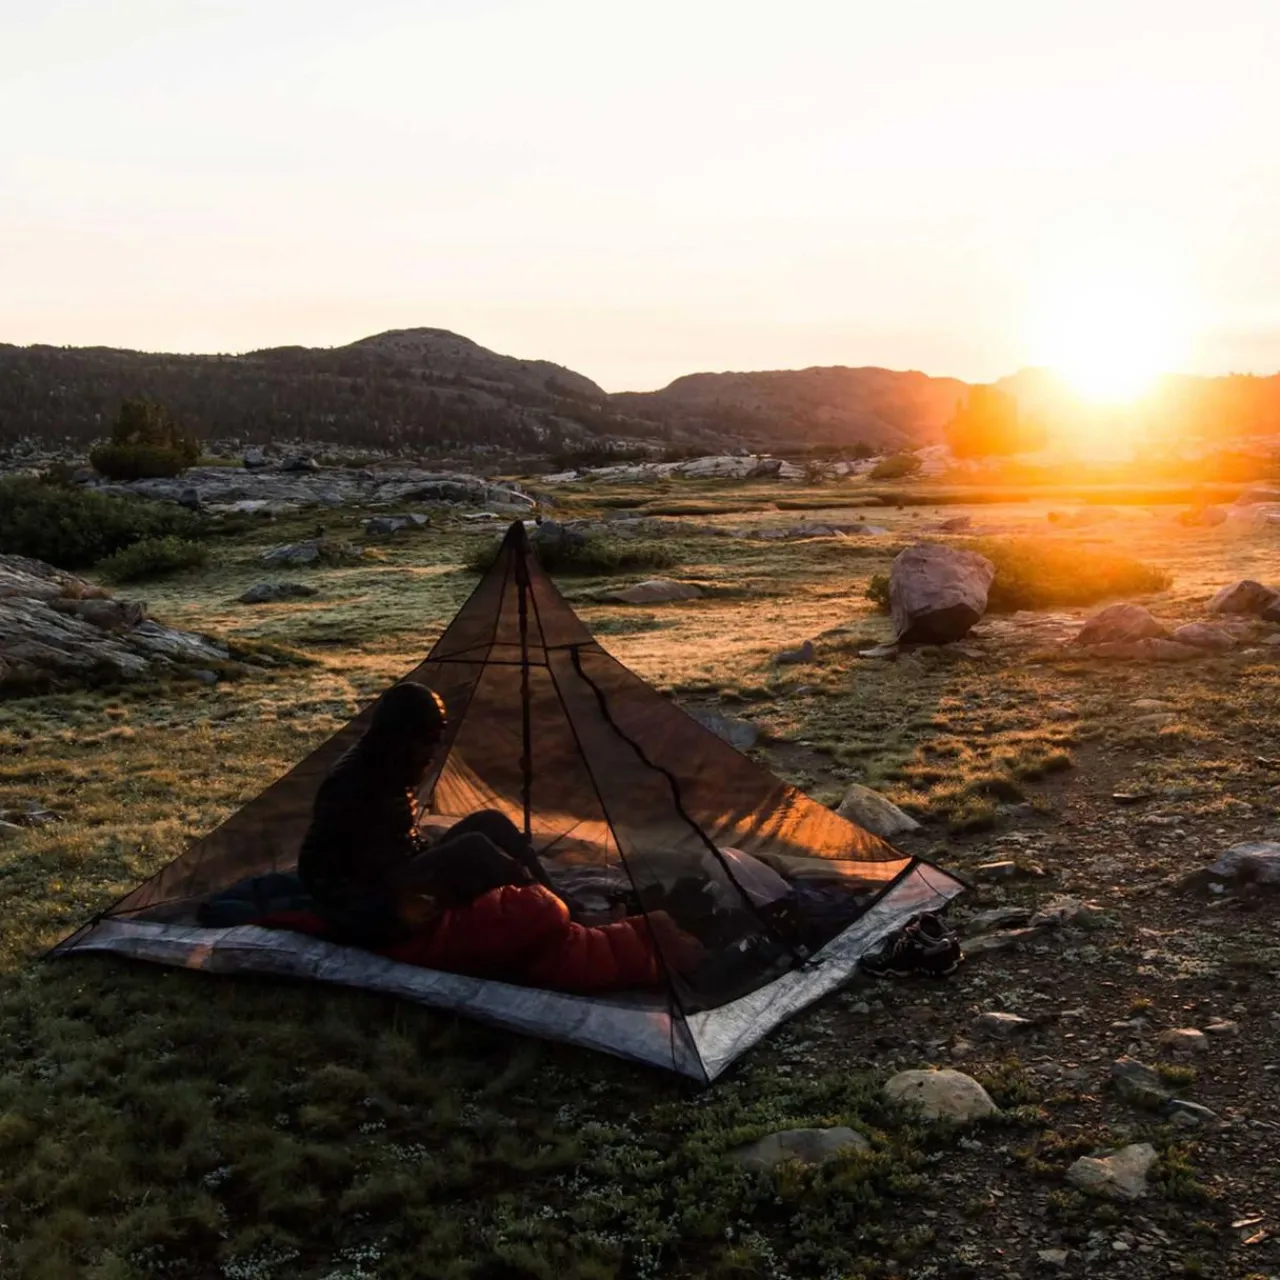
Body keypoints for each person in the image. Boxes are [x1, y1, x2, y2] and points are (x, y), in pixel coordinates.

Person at [297, 681, 549, 947]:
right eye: (428, 740)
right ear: (401, 736)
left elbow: (399, 842)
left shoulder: (393, 767)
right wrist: (385, 909)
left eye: (438, 739)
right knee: (473, 847)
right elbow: (321, 867)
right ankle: (542, 906)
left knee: (490, 821)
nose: (434, 751)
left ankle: (554, 897)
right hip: (376, 900)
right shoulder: (351, 783)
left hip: (400, 872)